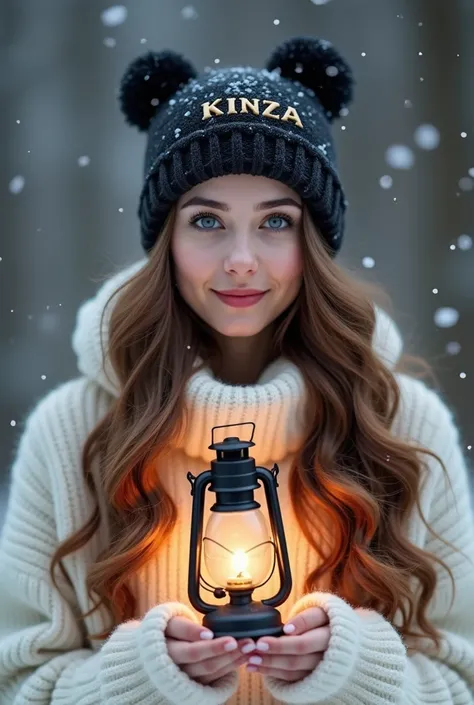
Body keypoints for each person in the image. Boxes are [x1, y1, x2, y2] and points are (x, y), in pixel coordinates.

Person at [0, 35, 473, 705]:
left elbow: (461, 682)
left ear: (314, 239)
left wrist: (353, 668)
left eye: (276, 220)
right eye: (208, 221)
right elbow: (18, 686)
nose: (242, 258)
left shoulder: (400, 425)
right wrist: (140, 677)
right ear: (167, 239)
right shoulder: (74, 432)